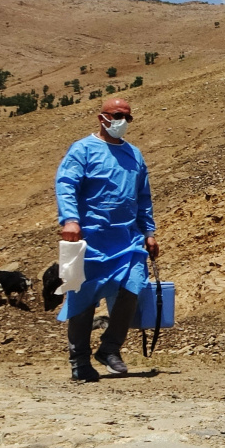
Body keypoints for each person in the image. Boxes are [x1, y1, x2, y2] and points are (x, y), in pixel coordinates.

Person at [55, 97, 159, 382]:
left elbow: (143, 197)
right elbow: (66, 185)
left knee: (133, 286)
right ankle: (79, 361)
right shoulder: (83, 150)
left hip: (127, 238)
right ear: (102, 117)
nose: (122, 122)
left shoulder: (134, 155)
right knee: (83, 299)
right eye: (117, 115)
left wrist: (148, 232)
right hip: (90, 239)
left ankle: (110, 347)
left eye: (127, 117)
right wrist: (70, 219)